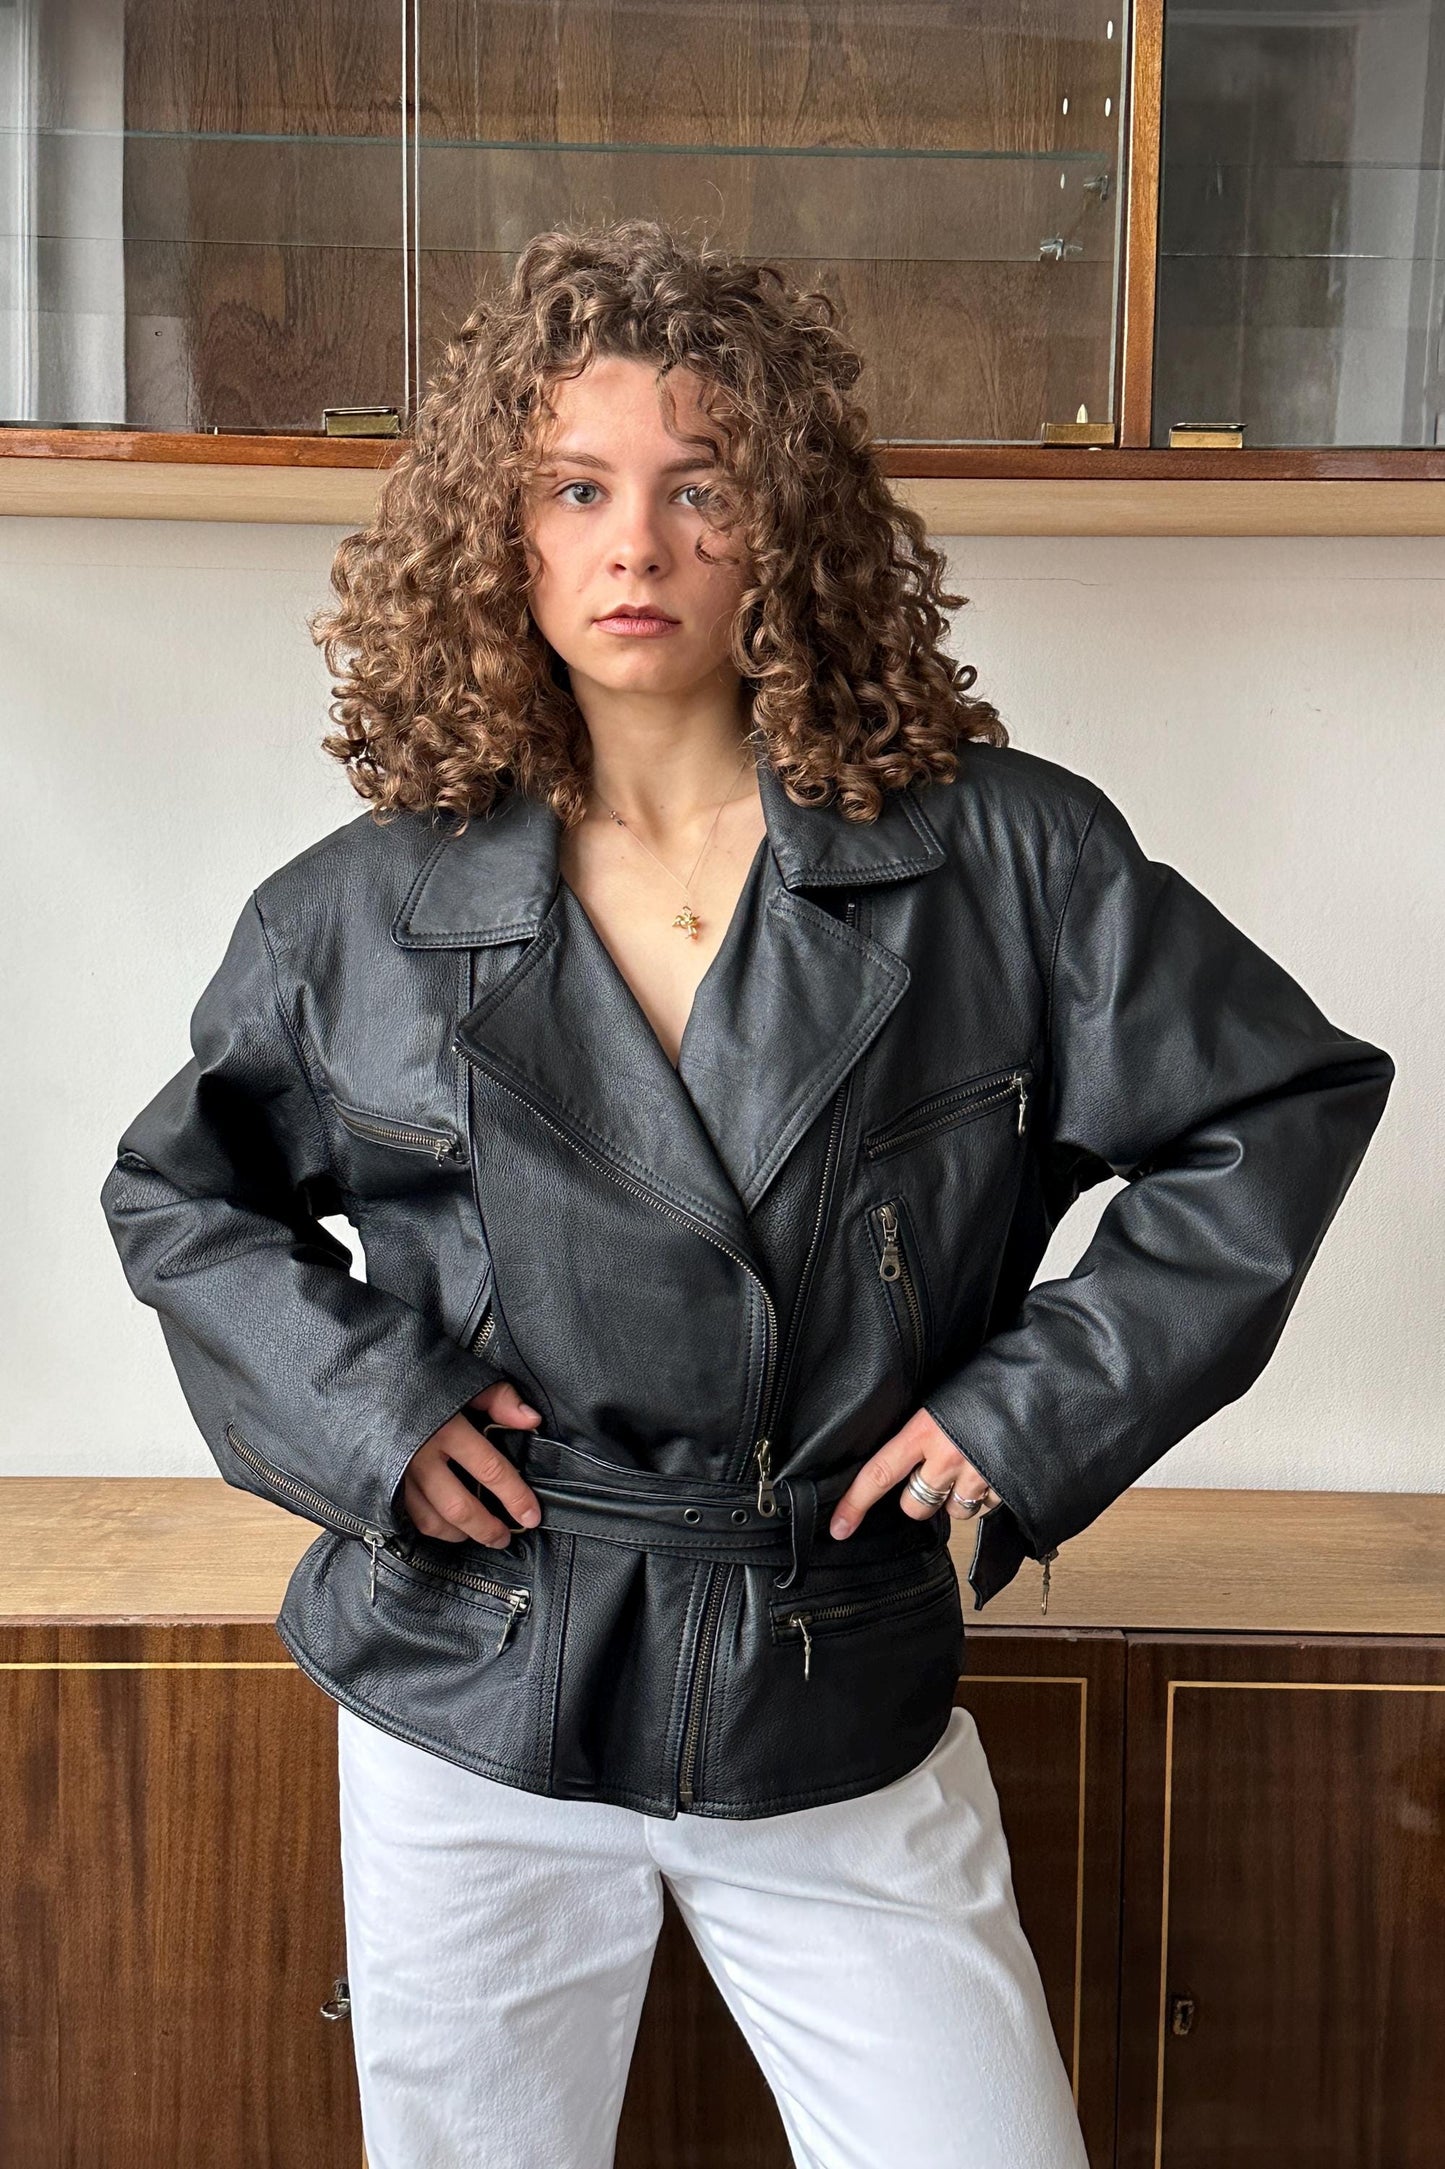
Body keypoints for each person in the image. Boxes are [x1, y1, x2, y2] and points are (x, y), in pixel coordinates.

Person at [100, 217, 1394, 2169]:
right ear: (499, 528)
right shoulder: (355, 909)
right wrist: (372, 1407)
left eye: (697, 488)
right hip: (473, 1679)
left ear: (783, 524)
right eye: (577, 487)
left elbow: (1270, 1110)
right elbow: (183, 1198)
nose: (635, 545)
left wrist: (1031, 1399)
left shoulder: (1005, 859)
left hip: (833, 1673)